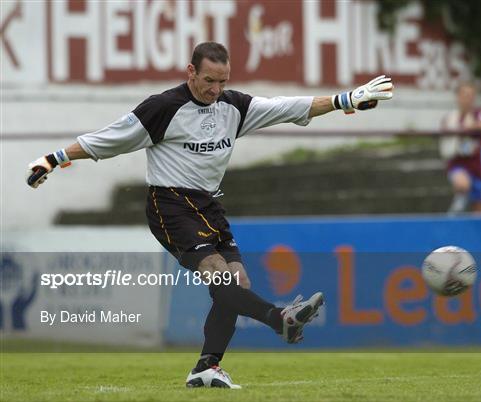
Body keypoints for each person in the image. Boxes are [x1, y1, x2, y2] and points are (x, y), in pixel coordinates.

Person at [26, 42, 393, 388]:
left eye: (223, 81)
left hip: (209, 206)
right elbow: (107, 139)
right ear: (191, 72)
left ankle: (207, 367)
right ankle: (279, 319)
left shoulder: (233, 107)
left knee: (237, 282)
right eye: (209, 80)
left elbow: (290, 106)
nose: (216, 89)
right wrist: (55, 158)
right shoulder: (163, 108)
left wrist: (346, 99)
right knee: (219, 273)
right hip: (169, 204)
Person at [439, 82, 481, 214]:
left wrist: (467, 127)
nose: (467, 98)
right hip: (458, 163)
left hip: (479, 167)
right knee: (462, 184)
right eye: (464, 95)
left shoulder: (480, 113)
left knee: (479, 209)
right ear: (457, 97)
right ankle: (456, 210)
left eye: (471, 95)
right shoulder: (450, 117)